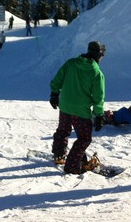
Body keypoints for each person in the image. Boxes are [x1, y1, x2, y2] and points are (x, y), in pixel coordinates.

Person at [49, 41, 106, 174]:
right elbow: (98, 97)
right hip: (81, 111)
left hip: (65, 106)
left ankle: (59, 156)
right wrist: (99, 115)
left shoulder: (71, 63)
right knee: (84, 138)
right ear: (99, 55)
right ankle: (72, 166)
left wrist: (54, 94)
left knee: (63, 131)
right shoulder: (96, 72)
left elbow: (58, 79)